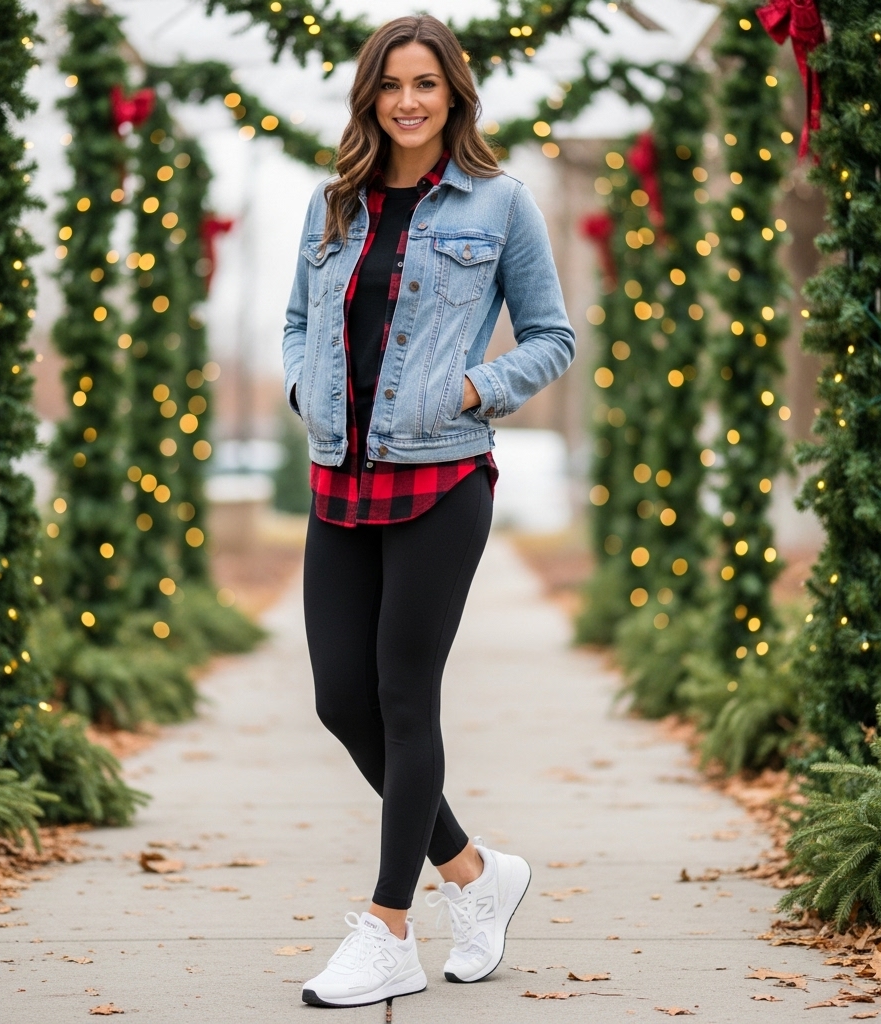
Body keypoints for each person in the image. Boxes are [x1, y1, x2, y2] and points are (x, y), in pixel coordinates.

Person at [282, 13, 575, 1009]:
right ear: (370, 96)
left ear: (453, 95)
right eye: (391, 85)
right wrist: (299, 391)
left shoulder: (499, 205)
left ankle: (388, 927)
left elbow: (552, 336)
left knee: (405, 697)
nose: (408, 101)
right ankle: (474, 874)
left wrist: (468, 391)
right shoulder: (334, 204)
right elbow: (294, 323)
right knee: (339, 699)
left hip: (442, 479)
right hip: (339, 476)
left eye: (426, 85)